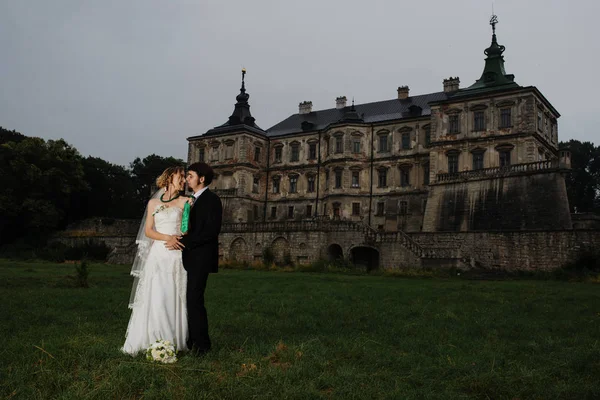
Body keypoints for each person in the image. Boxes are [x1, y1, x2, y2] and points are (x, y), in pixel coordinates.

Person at [122, 166, 191, 355]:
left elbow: (186, 230)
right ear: (169, 178)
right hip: (158, 254)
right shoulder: (153, 203)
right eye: (181, 176)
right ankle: (151, 339)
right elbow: (148, 231)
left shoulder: (186, 201)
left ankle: (173, 340)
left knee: (173, 294)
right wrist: (166, 237)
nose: (184, 180)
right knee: (156, 295)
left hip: (176, 254)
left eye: (185, 177)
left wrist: (187, 215)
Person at [166, 162, 222, 355]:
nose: (187, 179)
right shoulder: (191, 199)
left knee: (194, 300)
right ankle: (190, 340)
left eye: (190, 175)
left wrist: (186, 241)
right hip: (190, 257)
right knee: (189, 299)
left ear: (202, 178)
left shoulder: (212, 200)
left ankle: (202, 345)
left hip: (201, 258)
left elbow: (211, 232)